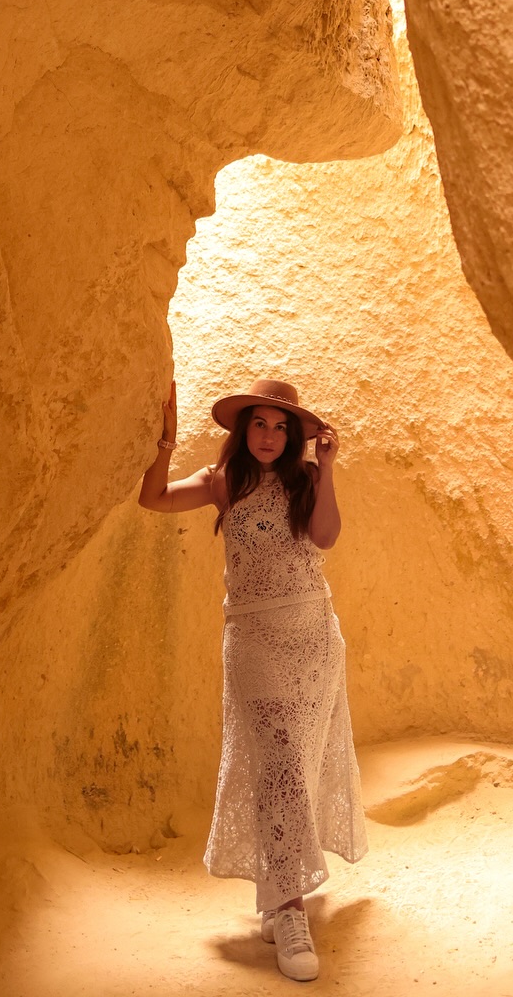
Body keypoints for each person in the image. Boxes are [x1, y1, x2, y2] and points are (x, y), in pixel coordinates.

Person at [138, 376, 367, 982]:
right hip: (255, 640)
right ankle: (290, 911)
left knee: (302, 764)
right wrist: (165, 441)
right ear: (243, 431)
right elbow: (154, 499)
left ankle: (278, 888)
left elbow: (325, 538)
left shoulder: (306, 480)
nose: (268, 436)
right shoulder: (223, 483)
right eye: (259, 424)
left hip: (314, 637)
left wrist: (329, 466)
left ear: (293, 437)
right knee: (281, 763)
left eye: (280, 426)